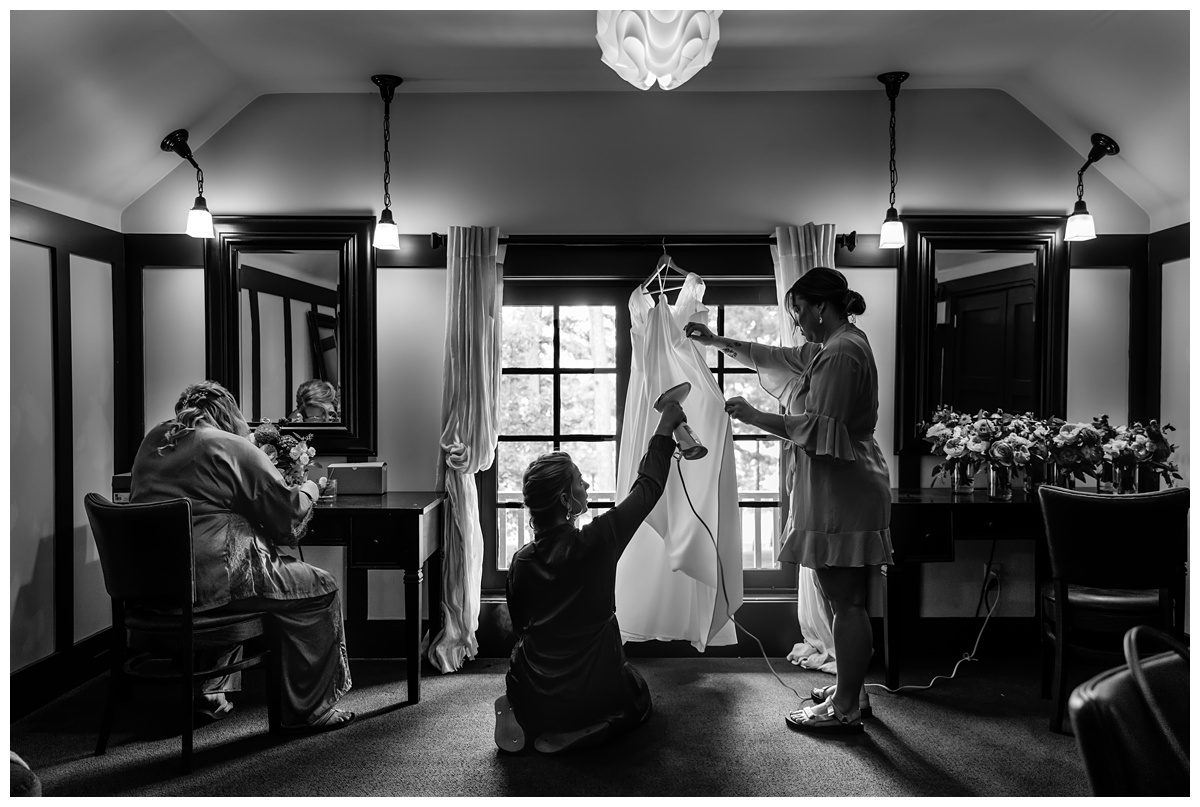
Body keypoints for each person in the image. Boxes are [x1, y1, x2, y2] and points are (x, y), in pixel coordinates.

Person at [685, 266, 893, 735]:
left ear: (820, 306)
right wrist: (716, 342)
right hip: (841, 485)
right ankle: (852, 687)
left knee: (847, 599)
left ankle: (846, 707)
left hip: (845, 489)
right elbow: (777, 355)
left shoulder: (841, 354)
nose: (796, 319)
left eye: (798, 309)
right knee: (841, 595)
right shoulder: (833, 346)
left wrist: (756, 416)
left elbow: (823, 429)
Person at [130, 380, 354, 730]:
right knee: (319, 588)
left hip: (151, 586)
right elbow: (286, 515)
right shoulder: (229, 445)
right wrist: (311, 486)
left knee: (252, 579)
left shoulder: (153, 441)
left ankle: (208, 691)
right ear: (229, 413)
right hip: (211, 586)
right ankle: (311, 710)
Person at [494, 399, 687, 754]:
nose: (587, 488)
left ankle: (521, 712)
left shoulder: (519, 562)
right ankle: (584, 728)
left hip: (532, 690)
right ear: (567, 501)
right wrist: (665, 428)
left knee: (534, 658)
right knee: (637, 698)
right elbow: (648, 489)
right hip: (591, 689)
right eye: (581, 483)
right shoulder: (599, 539)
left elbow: (521, 628)